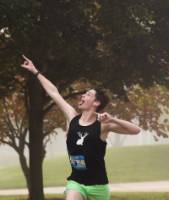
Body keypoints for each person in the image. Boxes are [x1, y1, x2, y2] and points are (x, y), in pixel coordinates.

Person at [21, 55, 141, 200]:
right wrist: (35, 71)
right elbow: (54, 92)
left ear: (96, 102)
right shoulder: (72, 117)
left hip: (99, 186)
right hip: (76, 182)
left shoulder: (103, 124)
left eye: (88, 94)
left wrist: (113, 119)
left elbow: (136, 130)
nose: (82, 96)